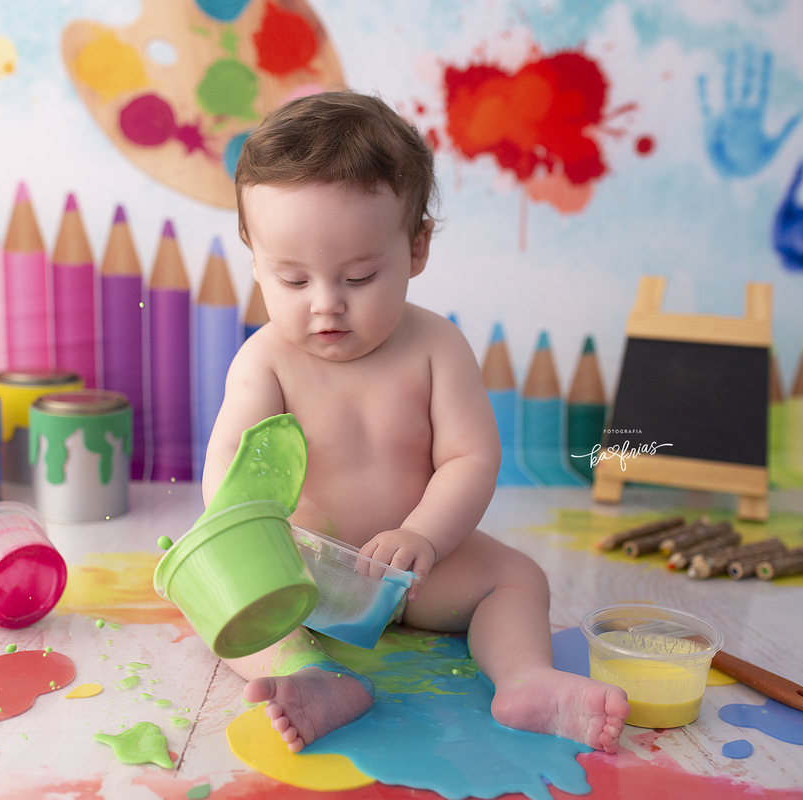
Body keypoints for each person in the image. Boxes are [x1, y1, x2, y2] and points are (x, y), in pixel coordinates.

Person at [202, 90, 629, 754]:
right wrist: (254, 552)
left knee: (519, 581)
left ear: (417, 246)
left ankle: (526, 680)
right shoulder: (266, 361)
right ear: (254, 257)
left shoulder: (435, 347)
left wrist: (422, 535)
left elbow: (470, 458)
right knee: (219, 605)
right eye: (292, 280)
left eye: (361, 276)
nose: (327, 306)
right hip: (307, 576)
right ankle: (309, 676)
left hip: (422, 570)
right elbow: (230, 467)